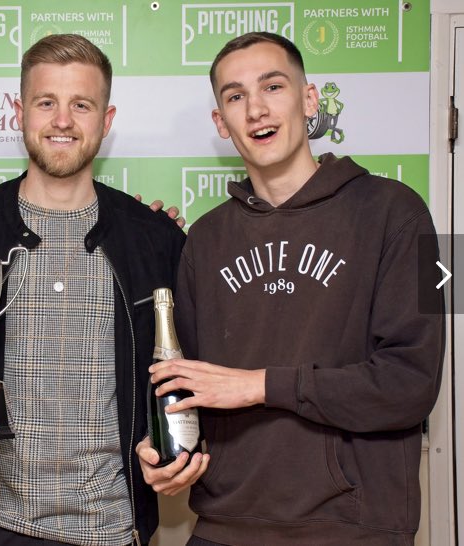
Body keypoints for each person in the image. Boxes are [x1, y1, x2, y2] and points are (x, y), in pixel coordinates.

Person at [136, 31, 445, 545]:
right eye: (235, 96)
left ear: (309, 99)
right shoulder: (205, 240)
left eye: (273, 87)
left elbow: (413, 386)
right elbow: (187, 388)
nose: (256, 109)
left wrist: (260, 385)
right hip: (222, 527)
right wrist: (164, 453)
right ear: (221, 122)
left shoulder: (402, 211)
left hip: (354, 530)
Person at [0, 33, 186, 546]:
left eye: (81, 104)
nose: (62, 120)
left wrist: (178, 455)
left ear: (107, 118)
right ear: (19, 112)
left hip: (112, 528)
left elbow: (182, 375)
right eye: (46, 103)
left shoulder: (155, 239)